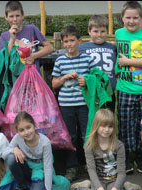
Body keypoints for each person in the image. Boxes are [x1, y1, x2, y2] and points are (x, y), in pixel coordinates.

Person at [115, 1, 142, 174]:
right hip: (125, 88)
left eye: (135, 18)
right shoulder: (118, 33)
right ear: (122, 18)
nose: (131, 21)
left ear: (141, 18)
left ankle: (141, 156)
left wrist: (128, 62)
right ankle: (125, 158)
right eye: (128, 17)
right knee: (125, 124)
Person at [51, 25, 92, 181]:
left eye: (72, 41)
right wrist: (64, 78)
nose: (69, 44)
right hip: (66, 105)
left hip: (83, 104)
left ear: (79, 41)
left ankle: (89, 165)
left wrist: (86, 81)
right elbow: (54, 84)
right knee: (70, 136)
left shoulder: (87, 59)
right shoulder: (60, 60)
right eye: (66, 41)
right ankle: (72, 166)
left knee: (87, 135)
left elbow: (96, 79)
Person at [72, 109, 140, 190]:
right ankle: (83, 187)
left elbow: (121, 172)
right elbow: (91, 170)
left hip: (114, 180)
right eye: (103, 126)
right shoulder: (89, 146)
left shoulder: (119, 146)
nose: (107, 130)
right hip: (98, 180)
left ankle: (132, 189)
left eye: (110, 126)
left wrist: (115, 188)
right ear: (96, 126)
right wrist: (99, 188)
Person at [2, 112, 59, 190]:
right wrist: (14, 149)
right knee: (11, 157)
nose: (26, 132)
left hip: (40, 172)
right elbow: (4, 154)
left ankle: (37, 187)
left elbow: (48, 168)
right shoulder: (17, 138)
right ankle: (23, 188)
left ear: (34, 125)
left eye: (28, 127)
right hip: (27, 169)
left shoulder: (45, 142)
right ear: (17, 131)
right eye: (21, 130)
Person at [79, 15, 117, 112]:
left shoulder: (112, 47)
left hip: (108, 90)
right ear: (89, 31)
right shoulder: (82, 48)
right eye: (95, 31)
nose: (99, 34)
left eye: (103, 31)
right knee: (92, 120)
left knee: (108, 120)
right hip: (91, 91)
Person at [0, 1, 53, 68]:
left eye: (17, 16)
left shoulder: (31, 29)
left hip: (33, 75)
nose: (15, 19)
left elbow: (49, 48)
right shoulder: (4, 36)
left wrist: (34, 56)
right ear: (6, 17)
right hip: (14, 77)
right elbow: (5, 58)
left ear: (23, 15)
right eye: (11, 16)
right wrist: (12, 39)